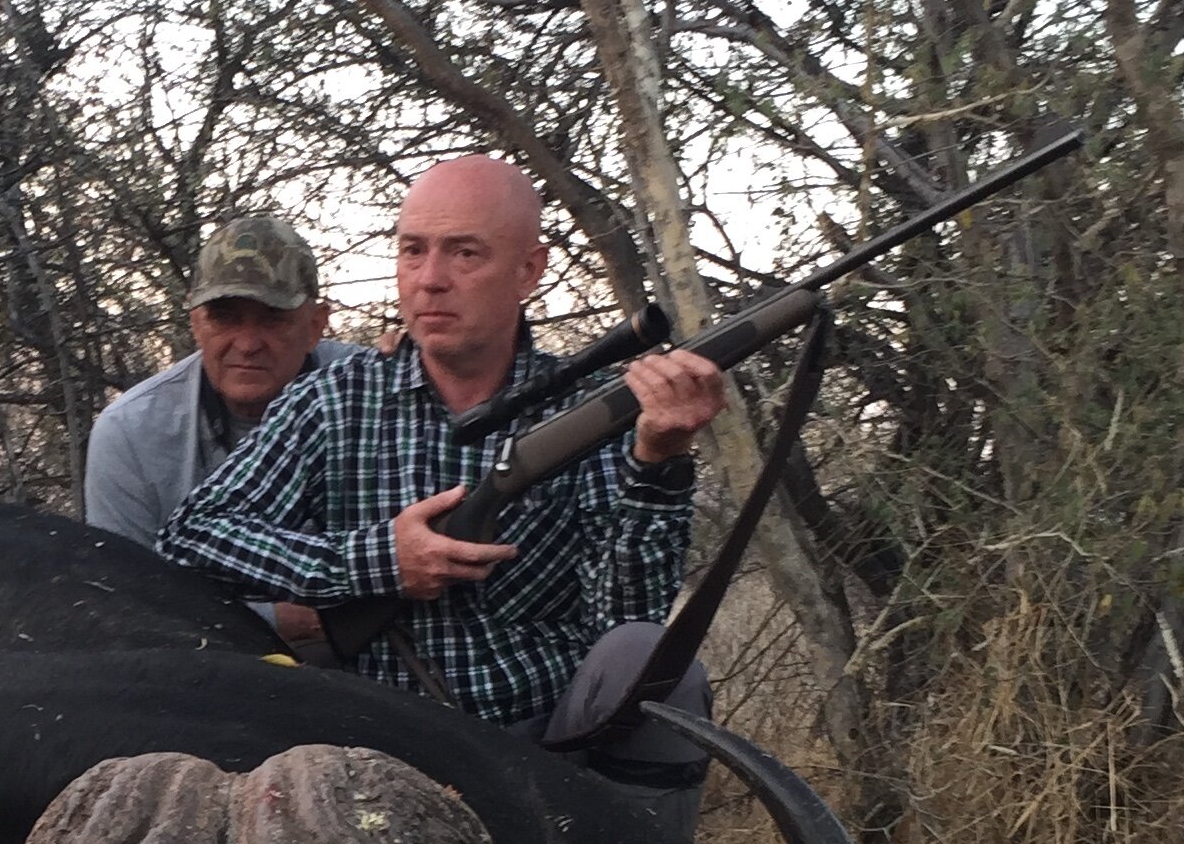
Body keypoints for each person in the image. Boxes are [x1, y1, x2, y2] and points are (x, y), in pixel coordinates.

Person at [155, 154, 727, 780]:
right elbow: (192, 535)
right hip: (380, 748)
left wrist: (657, 464)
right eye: (412, 251)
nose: (430, 280)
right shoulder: (336, 399)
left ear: (528, 271)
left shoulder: (595, 411)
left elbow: (625, 623)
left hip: (554, 747)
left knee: (659, 669)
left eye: (464, 254)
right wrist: (376, 562)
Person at [81, 213, 358, 553]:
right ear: (195, 324)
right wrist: (278, 609)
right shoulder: (130, 434)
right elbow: (120, 592)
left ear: (316, 326)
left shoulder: (372, 392)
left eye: (273, 318)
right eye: (224, 318)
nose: (247, 344)